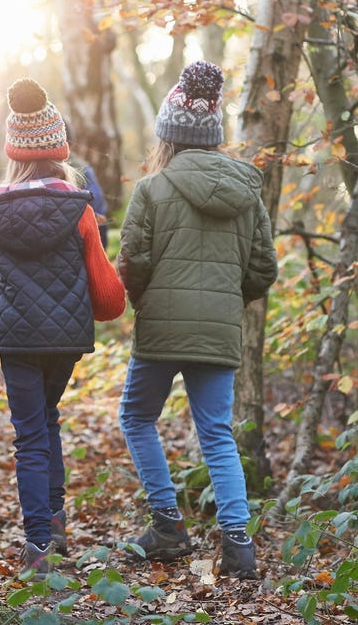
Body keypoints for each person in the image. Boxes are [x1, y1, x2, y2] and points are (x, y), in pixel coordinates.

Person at [0, 78, 126, 578]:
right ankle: (56, 524)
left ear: (14, 152)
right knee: (47, 420)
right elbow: (108, 299)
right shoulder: (78, 206)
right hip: (63, 342)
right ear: (58, 149)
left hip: (14, 339)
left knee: (30, 435)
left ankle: (39, 546)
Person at [116, 60, 279, 580]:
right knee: (217, 434)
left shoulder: (151, 189)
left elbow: (132, 263)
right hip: (219, 331)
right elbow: (263, 269)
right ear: (213, 136)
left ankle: (167, 524)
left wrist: (146, 298)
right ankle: (238, 547)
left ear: (168, 134)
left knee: (137, 418)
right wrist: (228, 300)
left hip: (161, 329)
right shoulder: (247, 191)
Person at [64, 119, 111, 248]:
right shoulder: (84, 170)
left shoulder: (26, 174)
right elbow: (98, 212)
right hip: (79, 250)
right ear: (71, 143)